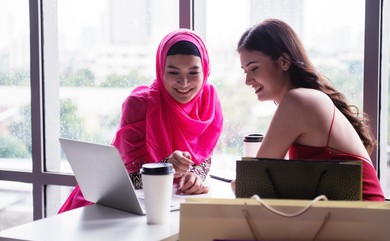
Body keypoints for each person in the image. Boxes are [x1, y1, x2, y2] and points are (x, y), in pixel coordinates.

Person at [58, 29, 223, 213]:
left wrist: (195, 176)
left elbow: (204, 157)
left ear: (205, 70)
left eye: (193, 73)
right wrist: (165, 167)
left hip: (170, 206)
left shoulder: (208, 100)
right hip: (110, 206)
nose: (184, 83)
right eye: (173, 73)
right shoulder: (140, 104)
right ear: (160, 71)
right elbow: (124, 182)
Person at [234, 18, 384, 201]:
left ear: (283, 62)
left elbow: (253, 185)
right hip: (356, 217)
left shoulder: (298, 100)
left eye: (254, 68)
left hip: (363, 219)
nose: (247, 80)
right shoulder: (307, 98)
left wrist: (238, 184)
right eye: (245, 71)